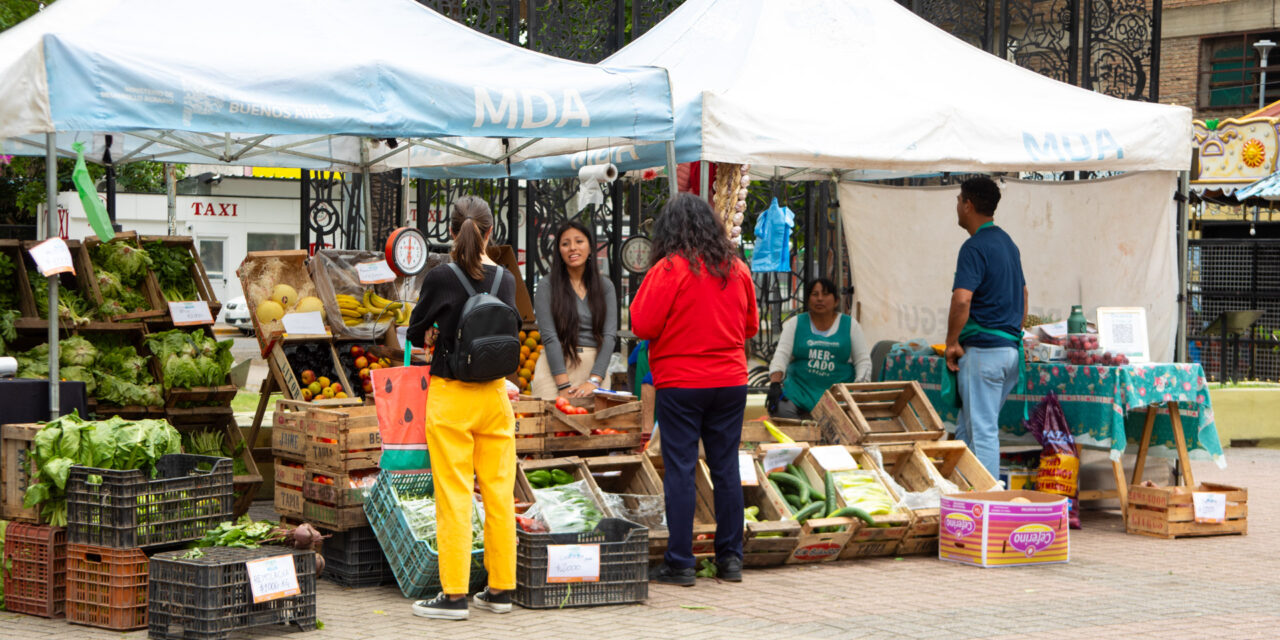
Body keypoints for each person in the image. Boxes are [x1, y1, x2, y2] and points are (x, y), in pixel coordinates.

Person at [631, 193, 759, 586]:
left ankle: (681, 563)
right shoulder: (737, 268)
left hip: (681, 383)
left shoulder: (669, 269)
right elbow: (751, 326)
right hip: (731, 382)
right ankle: (730, 560)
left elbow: (642, 325)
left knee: (681, 470)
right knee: (726, 468)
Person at [404, 195, 518, 621]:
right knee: (499, 495)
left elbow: (414, 331)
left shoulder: (441, 277)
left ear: (451, 231)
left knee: (454, 496)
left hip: (451, 395)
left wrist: (435, 333)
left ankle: (454, 596)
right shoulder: (506, 278)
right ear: (490, 232)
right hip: (494, 396)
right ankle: (500, 589)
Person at [944, 177, 1028, 480]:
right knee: (967, 429)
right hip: (1009, 352)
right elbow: (1024, 294)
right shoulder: (1008, 243)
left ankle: (989, 500)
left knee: (982, 432)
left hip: (984, 354)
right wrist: (1013, 332)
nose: (956, 205)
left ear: (968, 205)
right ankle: (958, 492)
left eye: (958, 199)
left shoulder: (974, 247)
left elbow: (962, 299)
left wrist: (952, 342)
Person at [531, 220, 617, 399]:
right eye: (565, 243)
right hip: (554, 370)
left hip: (594, 371)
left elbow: (609, 336)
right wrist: (563, 385)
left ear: (590, 247)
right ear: (559, 251)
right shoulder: (546, 286)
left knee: (598, 418)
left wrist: (594, 380)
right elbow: (549, 336)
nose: (572, 248)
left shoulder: (605, 287)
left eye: (579, 241)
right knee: (550, 416)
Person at [766, 278, 872, 419]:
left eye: (825, 294)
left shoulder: (851, 325)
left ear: (836, 301)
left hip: (838, 396)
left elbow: (863, 361)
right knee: (780, 410)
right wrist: (774, 385)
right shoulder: (795, 323)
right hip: (799, 394)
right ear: (808, 300)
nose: (820, 299)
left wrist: (857, 390)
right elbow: (781, 356)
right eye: (815, 294)